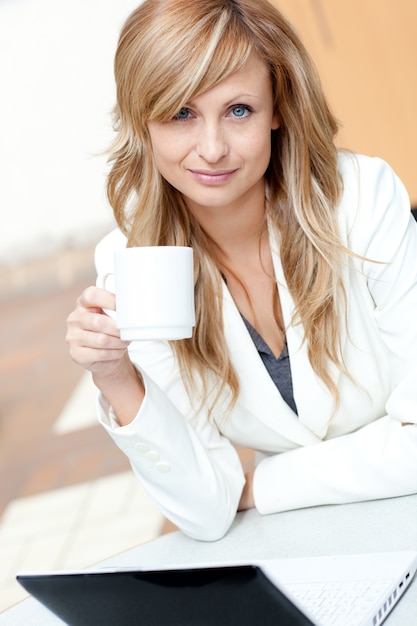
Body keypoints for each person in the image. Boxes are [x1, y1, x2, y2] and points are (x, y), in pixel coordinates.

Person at [66, 0, 417, 541]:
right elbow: (207, 512)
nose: (211, 149)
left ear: (277, 107)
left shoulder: (362, 200)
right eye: (182, 113)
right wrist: (118, 379)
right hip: (304, 547)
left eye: (238, 111)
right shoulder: (134, 263)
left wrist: (264, 486)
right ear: (144, 121)